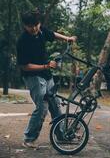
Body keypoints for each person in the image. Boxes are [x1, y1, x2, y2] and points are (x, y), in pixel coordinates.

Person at [16, 10, 76, 148]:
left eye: (36, 25)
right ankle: (29, 139)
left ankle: (60, 135)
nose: (34, 28)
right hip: (33, 77)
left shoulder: (41, 30)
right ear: (25, 26)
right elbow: (24, 66)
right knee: (42, 107)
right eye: (30, 26)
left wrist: (67, 38)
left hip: (46, 74)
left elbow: (53, 34)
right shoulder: (22, 41)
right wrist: (46, 66)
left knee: (55, 103)